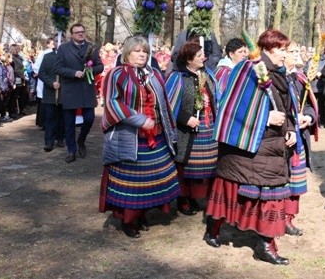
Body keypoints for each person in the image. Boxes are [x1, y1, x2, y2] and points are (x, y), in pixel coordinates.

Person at [204, 29, 298, 265]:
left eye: (286, 49)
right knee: (231, 194)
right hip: (246, 150)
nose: (285, 54)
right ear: (267, 49)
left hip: (272, 147)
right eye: (282, 49)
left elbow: (283, 108)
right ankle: (213, 228)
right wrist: (265, 118)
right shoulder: (247, 69)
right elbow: (233, 108)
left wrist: (289, 128)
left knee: (271, 198)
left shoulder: (279, 73)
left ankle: (265, 245)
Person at [99, 35, 180, 238]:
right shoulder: (116, 74)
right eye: (137, 50)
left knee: (151, 179)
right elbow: (112, 103)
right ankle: (128, 221)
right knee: (131, 183)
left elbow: (164, 103)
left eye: (145, 51)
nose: (142, 54)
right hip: (129, 138)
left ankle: (142, 214)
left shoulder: (153, 74)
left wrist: (168, 127)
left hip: (156, 137)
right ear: (127, 52)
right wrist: (139, 119)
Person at [166, 41, 219, 216]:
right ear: (189, 60)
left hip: (207, 126)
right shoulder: (177, 77)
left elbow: (216, 97)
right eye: (199, 55)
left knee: (206, 165)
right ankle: (183, 198)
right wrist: (185, 118)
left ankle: (197, 197)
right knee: (186, 167)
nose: (204, 57)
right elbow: (168, 104)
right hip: (186, 131)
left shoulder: (207, 74)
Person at [54, 24, 104, 163]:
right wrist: (73, 73)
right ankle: (71, 150)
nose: (80, 34)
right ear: (72, 34)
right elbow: (57, 68)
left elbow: (100, 66)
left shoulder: (92, 47)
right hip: (70, 89)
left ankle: (81, 140)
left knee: (89, 119)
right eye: (77, 32)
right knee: (69, 123)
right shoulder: (64, 49)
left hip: (86, 89)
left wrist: (91, 70)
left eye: (82, 32)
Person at [284, 42, 318, 236]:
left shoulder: (300, 78)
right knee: (284, 180)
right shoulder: (275, 78)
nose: (298, 55)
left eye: (299, 51)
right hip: (283, 138)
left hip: (299, 137)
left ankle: (289, 218)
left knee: (296, 181)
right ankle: (279, 216)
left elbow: (310, 106)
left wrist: (308, 117)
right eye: (293, 52)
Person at [38, 41, 66, 152]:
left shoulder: (67, 57)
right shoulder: (47, 57)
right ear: (53, 43)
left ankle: (60, 138)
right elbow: (41, 73)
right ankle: (49, 142)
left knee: (62, 118)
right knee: (50, 118)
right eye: (57, 40)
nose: (60, 42)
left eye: (62, 41)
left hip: (64, 94)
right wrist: (51, 82)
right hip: (50, 94)